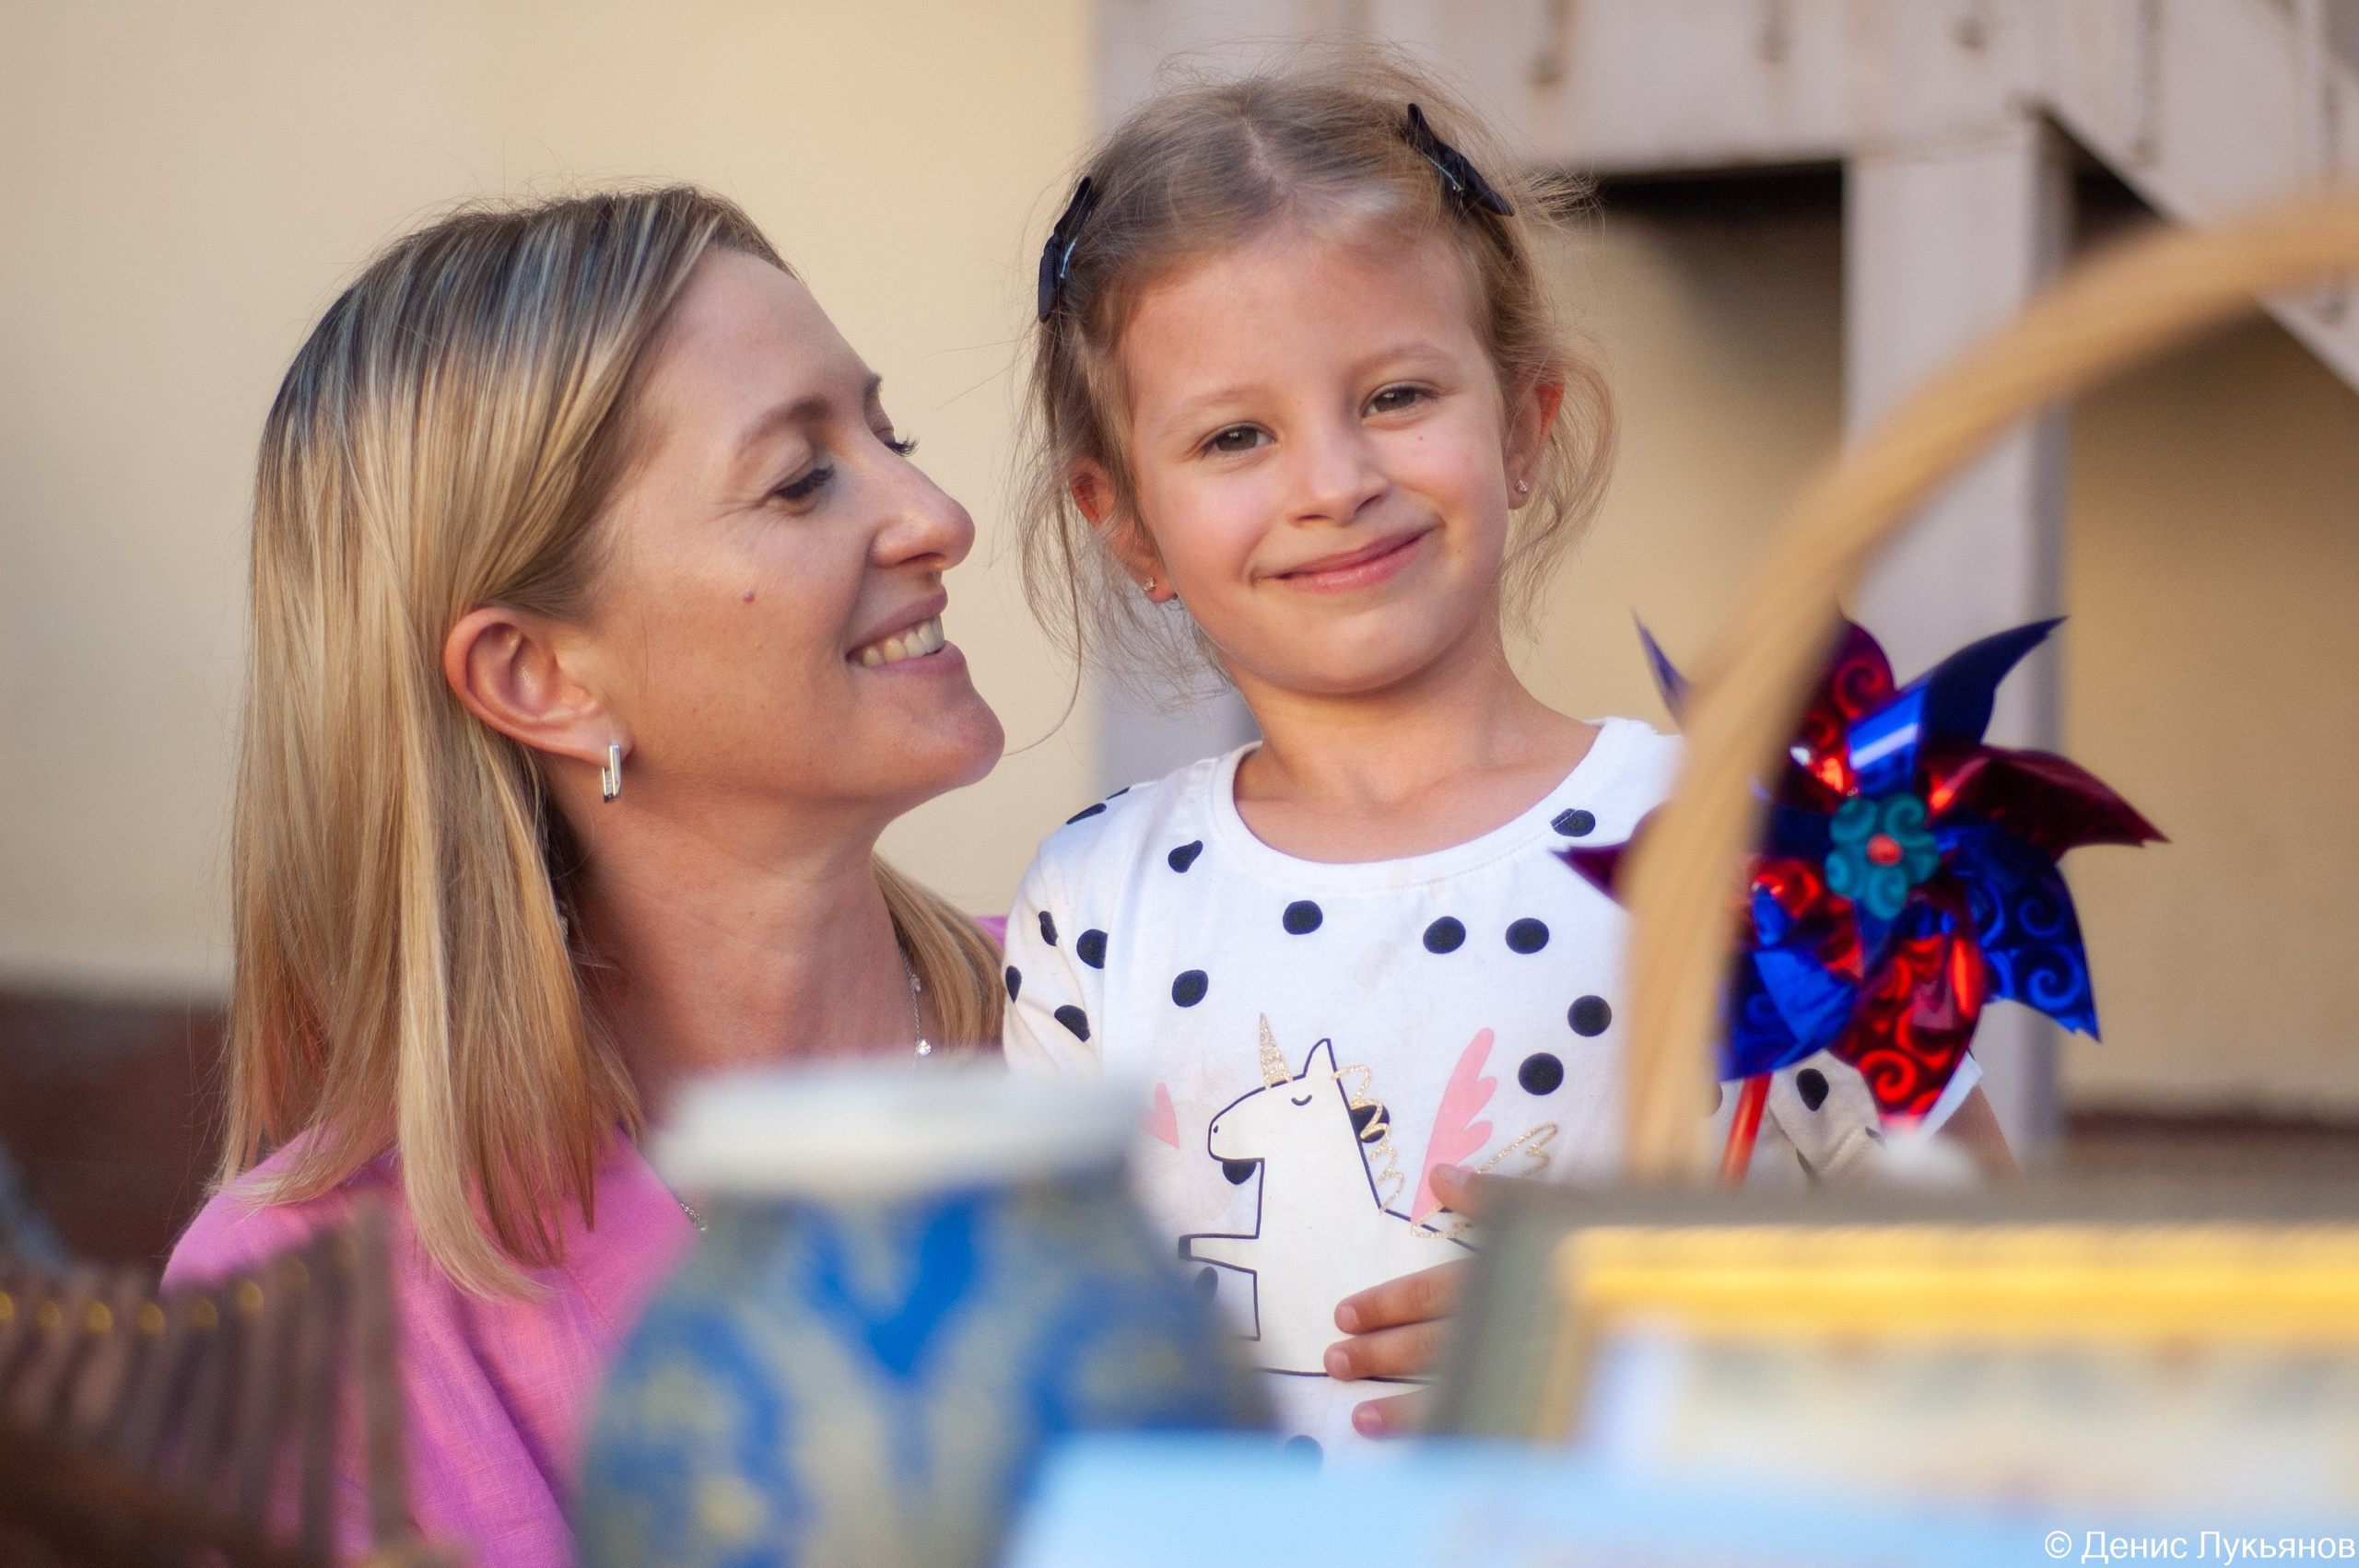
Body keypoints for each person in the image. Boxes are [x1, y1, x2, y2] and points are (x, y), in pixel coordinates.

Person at [998, 54, 2013, 1452]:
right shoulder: (1094, 901)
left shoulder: (1746, 853)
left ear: (1525, 425)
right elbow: (1048, 1358)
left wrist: (1657, 1329)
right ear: (1128, 526)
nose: (1335, 482)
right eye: (1236, 436)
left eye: (1396, 397)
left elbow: (1996, 1286)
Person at [165, 187, 1006, 1565]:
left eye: (889, 436)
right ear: (538, 675)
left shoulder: (1151, 1012)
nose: (938, 515)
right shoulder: (301, 1317)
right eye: (801, 478)